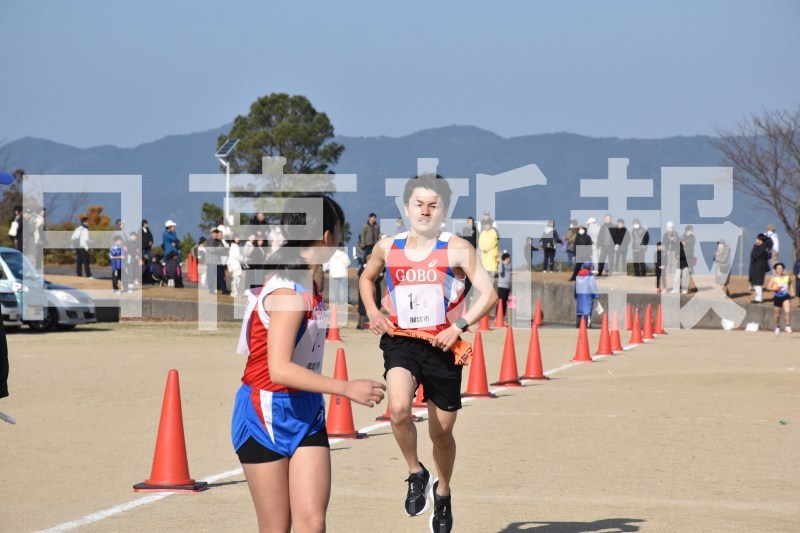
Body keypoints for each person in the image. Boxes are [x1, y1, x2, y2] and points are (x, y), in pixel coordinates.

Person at [231, 194, 384, 533]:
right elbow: (279, 369)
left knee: (312, 523)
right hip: (264, 412)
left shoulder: (310, 283)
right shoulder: (288, 294)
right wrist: (346, 388)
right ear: (326, 236)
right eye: (340, 230)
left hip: (306, 410)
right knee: (276, 527)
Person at [359, 173, 497, 533]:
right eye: (418, 204)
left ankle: (443, 491)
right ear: (406, 208)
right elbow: (366, 277)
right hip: (402, 341)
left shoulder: (457, 248)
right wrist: (373, 311)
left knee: (441, 435)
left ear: (444, 210)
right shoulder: (387, 247)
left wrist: (458, 326)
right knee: (398, 408)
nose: (424, 211)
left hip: (444, 346)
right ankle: (415, 472)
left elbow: (489, 294)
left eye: (432, 205)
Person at [767, 262, 793, 335]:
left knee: (787, 311)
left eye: (781, 268)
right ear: (775, 270)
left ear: (783, 269)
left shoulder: (787, 277)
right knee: (777, 315)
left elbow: (790, 283)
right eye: (778, 268)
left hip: (785, 296)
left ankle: (788, 326)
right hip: (777, 297)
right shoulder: (774, 278)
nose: (780, 269)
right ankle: (777, 326)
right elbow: (768, 287)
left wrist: (792, 290)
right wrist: (775, 288)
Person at [574, 261, 599, 328]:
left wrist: (575, 295)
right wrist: (596, 295)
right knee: (587, 310)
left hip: (580, 295)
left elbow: (575, 287)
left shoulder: (578, 275)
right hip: (588, 295)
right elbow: (592, 287)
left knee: (580, 310)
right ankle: (587, 324)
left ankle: (578, 323)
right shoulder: (590, 276)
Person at [205, 228, 229, 295]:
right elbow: (211, 250)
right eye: (214, 233)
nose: (215, 234)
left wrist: (218, 250)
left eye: (216, 233)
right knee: (211, 276)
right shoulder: (208, 241)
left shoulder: (219, 241)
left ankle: (222, 289)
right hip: (210, 261)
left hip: (217, 261)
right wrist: (218, 250)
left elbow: (223, 250)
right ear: (211, 233)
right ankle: (211, 289)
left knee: (220, 276)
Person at [748, 234, 771, 303]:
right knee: (756, 283)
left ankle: (759, 298)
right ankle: (757, 297)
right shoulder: (760, 247)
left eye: (758, 239)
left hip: (759, 267)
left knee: (757, 283)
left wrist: (756, 247)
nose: (757, 241)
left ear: (761, 240)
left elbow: (755, 255)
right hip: (756, 266)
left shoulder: (762, 247)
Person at [497, 252, 512, 321]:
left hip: (507, 286)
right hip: (502, 286)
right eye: (508, 257)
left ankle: (502, 316)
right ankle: (497, 316)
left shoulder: (509, 265)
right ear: (505, 258)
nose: (509, 259)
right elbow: (500, 271)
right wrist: (501, 262)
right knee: (500, 302)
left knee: (505, 302)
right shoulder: (502, 264)